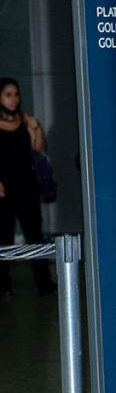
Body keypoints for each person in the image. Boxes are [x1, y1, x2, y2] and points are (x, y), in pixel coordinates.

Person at [0, 77, 57, 296]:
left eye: (16, 94)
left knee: (35, 234)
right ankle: (2, 284)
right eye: (8, 94)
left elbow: (39, 150)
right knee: (3, 236)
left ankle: (44, 282)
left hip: (27, 187)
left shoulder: (25, 121)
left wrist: (37, 128)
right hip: (4, 190)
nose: (13, 99)